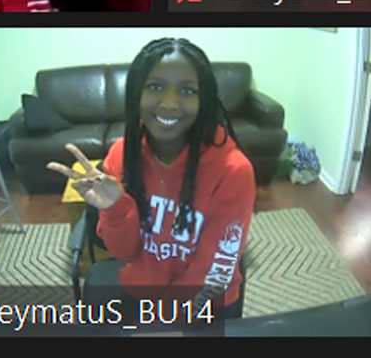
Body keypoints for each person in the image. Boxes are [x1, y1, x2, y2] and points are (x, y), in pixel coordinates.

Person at [50, 39, 255, 320]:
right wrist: (115, 208)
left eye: (187, 90)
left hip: (206, 301)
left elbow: (212, 270)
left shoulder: (232, 170)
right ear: (136, 93)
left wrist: (159, 323)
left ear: (203, 99)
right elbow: (124, 251)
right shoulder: (122, 154)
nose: (169, 103)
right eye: (155, 87)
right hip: (141, 291)